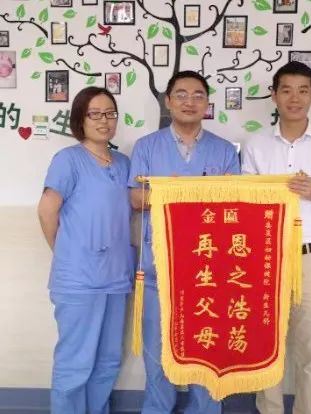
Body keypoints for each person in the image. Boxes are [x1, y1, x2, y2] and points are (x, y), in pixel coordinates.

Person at [241, 61, 311, 414]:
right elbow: (243, 202)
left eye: (303, 90)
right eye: (286, 90)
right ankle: (269, 410)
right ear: (273, 95)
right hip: (265, 257)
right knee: (267, 344)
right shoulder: (256, 144)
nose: (295, 98)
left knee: (310, 347)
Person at [128, 70, 240, 414]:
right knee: (158, 355)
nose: (189, 102)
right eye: (181, 94)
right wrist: (183, 192)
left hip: (209, 273)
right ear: (168, 101)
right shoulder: (147, 147)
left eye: (197, 95)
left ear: (207, 104)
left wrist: (174, 192)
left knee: (206, 355)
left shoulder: (224, 150)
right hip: (158, 270)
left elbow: (233, 206)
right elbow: (136, 198)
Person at [37, 86, 133, 414]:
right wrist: (66, 252)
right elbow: (46, 211)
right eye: (95, 114)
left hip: (116, 278)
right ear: (80, 119)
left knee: (108, 361)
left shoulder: (123, 163)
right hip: (79, 281)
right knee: (75, 364)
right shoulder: (68, 160)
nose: (104, 120)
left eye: (110, 113)